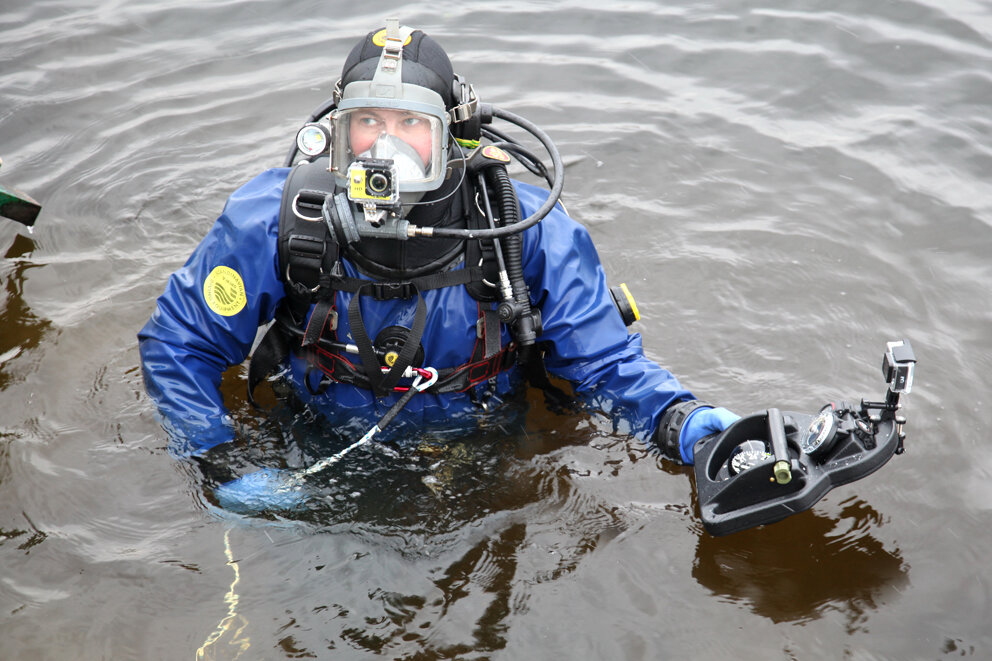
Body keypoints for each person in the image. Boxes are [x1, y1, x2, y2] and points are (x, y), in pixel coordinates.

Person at [138, 20, 738, 512]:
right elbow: (179, 343)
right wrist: (216, 462)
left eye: (410, 126)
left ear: (453, 135)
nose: (385, 147)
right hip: (315, 432)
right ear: (337, 134)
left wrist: (681, 421)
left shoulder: (524, 229)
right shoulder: (278, 218)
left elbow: (604, 363)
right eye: (367, 123)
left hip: (485, 443)